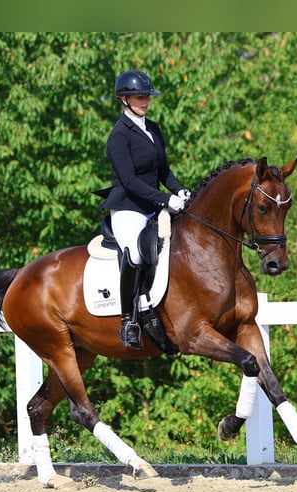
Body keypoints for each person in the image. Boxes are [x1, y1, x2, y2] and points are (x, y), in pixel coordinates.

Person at [99, 69, 189, 349]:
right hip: (129, 208)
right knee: (136, 255)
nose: (146, 101)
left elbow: (163, 170)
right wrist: (165, 200)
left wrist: (179, 190)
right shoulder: (118, 137)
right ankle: (129, 320)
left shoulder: (153, 128)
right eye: (140, 97)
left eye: (147, 96)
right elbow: (129, 181)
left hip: (153, 204)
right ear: (124, 99)